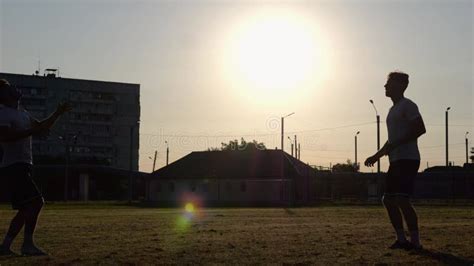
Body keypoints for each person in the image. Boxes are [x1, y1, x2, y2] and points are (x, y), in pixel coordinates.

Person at [0, 79, 71, 256]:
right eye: (9, 88)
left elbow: (41, 127)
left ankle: (7, 246)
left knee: (27, 207)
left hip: (23, 164)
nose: (13, 89)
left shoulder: (22, 113)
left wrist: (57, 113)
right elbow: (6, 136)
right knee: (35, 202)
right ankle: (26, 244)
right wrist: (33, 131)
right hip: (13, 166)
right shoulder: (3, 113)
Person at [364, 71, 426, 250]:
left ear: (401, 85)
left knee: (401, 199)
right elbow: (391, 140)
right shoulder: (392, 110)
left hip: (408, 159)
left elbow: (420, 129)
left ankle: (415, 243)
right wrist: (377, 155)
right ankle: (401, 240)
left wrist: (396, 144)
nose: (385, 86)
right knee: (388, 200)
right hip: (396, 160)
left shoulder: (408, 105)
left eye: (389, 83)